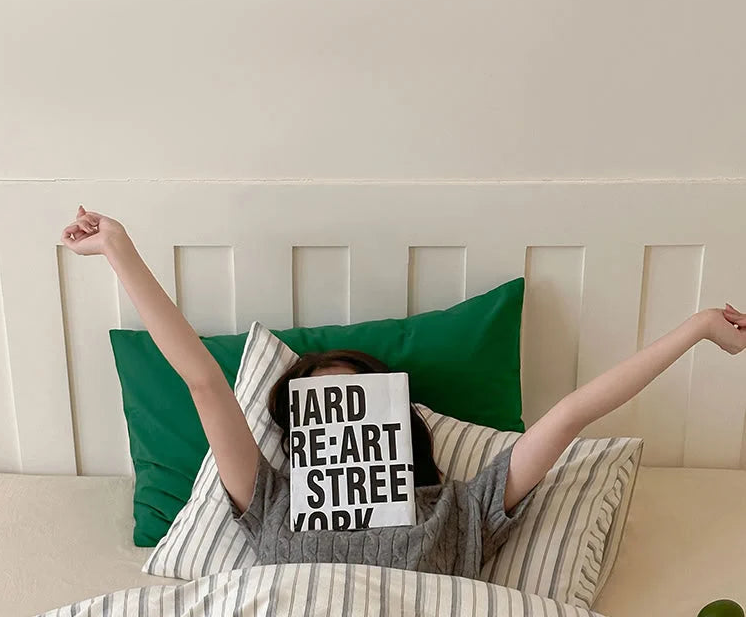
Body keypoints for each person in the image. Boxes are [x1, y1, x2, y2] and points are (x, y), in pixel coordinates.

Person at [62, 205, 746, 579]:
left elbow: (569, 415)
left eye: (355, 400)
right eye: (317, 412)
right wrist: (121, 251)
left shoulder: (459, 510)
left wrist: (695, 331)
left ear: (397, 424)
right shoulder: (272, 504)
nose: (337, 421)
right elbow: (205, 382)